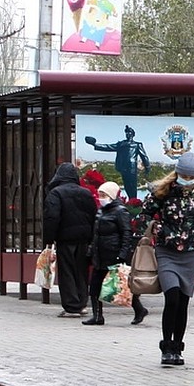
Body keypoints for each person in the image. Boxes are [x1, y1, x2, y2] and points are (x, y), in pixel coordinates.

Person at [130, 152, 194, 367]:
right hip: (167, 251)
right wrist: (157, 228)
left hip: (191, 252)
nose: (187, 180)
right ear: (177, 172)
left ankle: (178, 347)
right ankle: (166, 347)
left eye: (191, 177)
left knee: (184, 302)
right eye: (184, 176)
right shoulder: (163, 191)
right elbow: (144, 216)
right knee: (173, 298)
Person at [84, 182, 149, 327]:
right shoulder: (101, 211)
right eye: (100, 195)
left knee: (121, 287)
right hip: (99, 254)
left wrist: (123, 254)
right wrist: (91, 250)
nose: (101, 198)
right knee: (95, 286)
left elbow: (126, 233)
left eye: (104, 195)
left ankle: (139, 309)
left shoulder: (121, 211)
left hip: (113, 254)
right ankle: (97, 316)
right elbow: (95, 233)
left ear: (112, 195)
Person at [42, 162, 98, 318]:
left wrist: (49, 239)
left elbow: (51, 217)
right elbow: (94, 216)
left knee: (67, 272)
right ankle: (81, 303)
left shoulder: (56, 193)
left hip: (65, 239)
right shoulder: (86, 193)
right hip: (84, 239)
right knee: (81, 272)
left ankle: (71, 306)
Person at [83, 125, 152, 202]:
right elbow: (108, 147)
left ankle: (134, 202)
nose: (128, 134)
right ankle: (131, 202)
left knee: (132, 186)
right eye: (127, 132)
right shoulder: (121, 144)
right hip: (123, 168)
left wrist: (147, 167)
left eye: (130, 132)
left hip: (132, 168)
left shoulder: (137, 144)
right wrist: (95, 145)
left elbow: (144, 156)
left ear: (133, 134)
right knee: (127, 186)